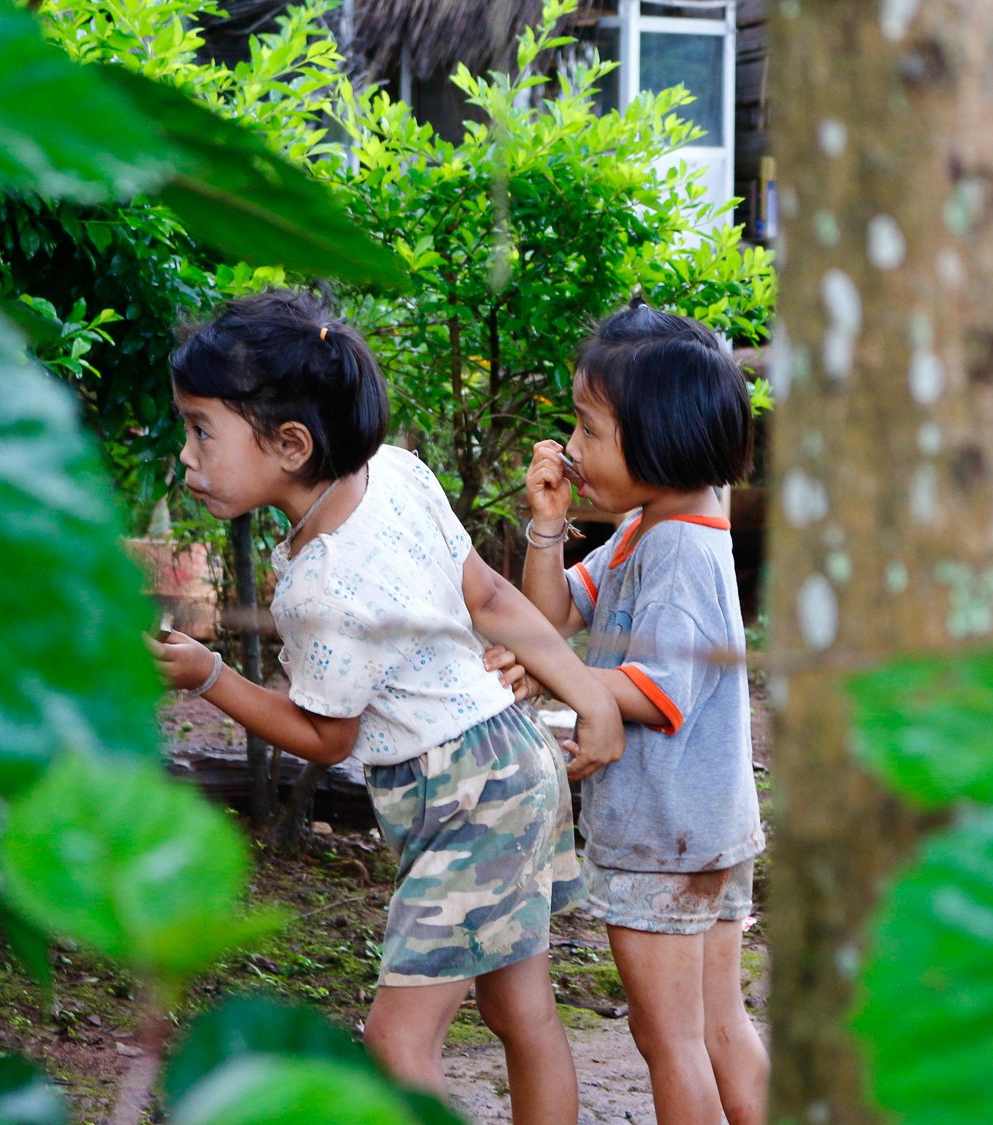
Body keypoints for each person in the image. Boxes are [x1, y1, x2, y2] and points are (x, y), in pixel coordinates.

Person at [149, 289, 623, 1125]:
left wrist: (211, 677)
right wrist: (590, 699)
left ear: (291, 445)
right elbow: (491, 592)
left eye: (200, 429)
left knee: (398, 1046)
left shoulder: (320, 582)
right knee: (524, 1013)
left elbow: (325, 738)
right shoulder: (399, 472)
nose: (186, 455)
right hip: (516, 758)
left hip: (464, 794)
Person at [511, 299, 769, 1125]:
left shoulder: (683, 550)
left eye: (589, 429)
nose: (573, 447)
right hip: (704, 827)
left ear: (658, 437)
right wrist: (548, 529)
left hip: (666, 838)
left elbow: (659, 692)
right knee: (721, 1028)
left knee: (675, 1042)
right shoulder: (643, 528)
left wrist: (558, 679)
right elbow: (552, 617)